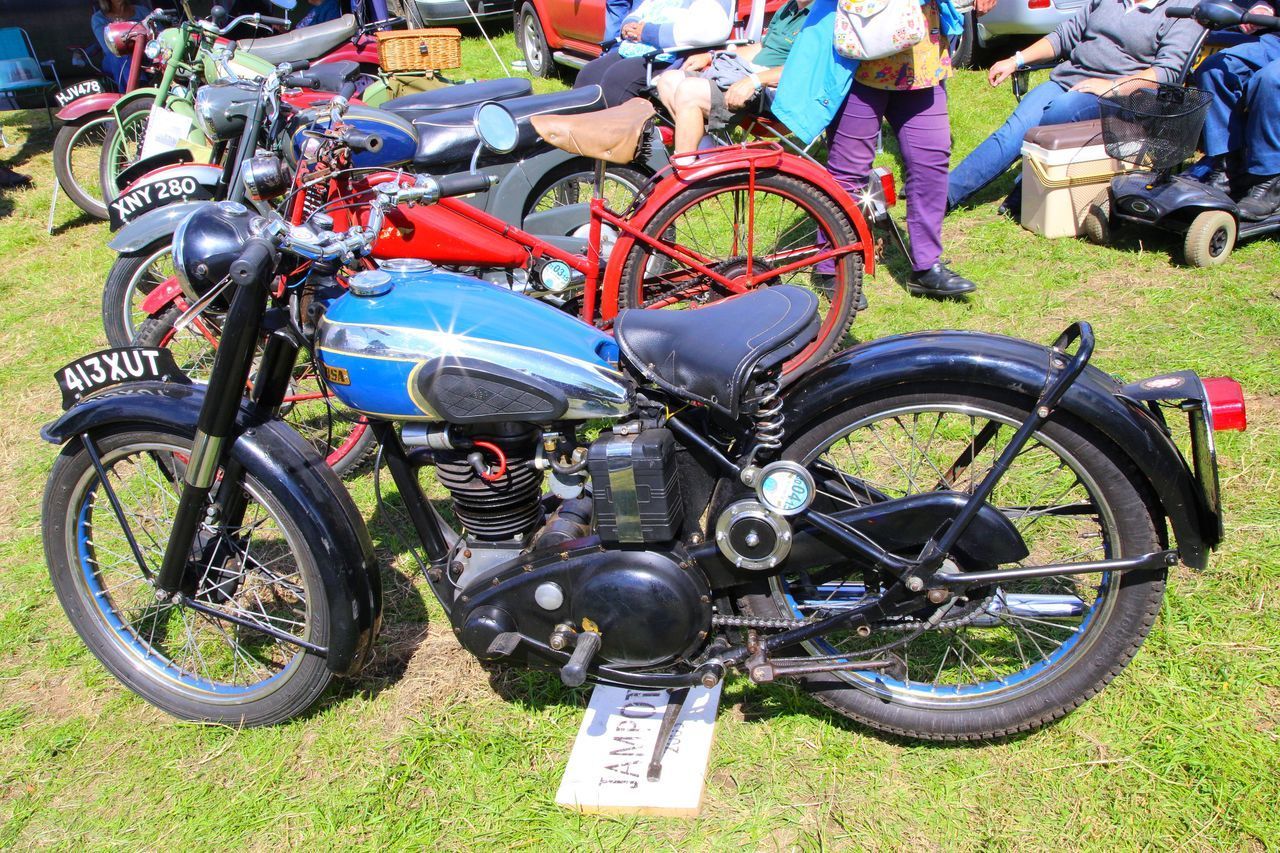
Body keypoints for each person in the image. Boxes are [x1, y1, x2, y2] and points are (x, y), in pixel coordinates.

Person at [773, 0, 976, 299]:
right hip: (861, 56)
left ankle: (926, 267)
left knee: (931, 160)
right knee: (848, 171)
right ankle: (831, 267)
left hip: (920, 58)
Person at [947, 0, 1201, 211]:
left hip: (1120, 95)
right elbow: (1063, 36)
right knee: (1013, 131)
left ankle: (1026, 189)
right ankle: (945, 194)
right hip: (1068, 79)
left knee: (1061, 110)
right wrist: (1016, 60)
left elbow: (1167, 72)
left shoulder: (1182, 10)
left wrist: (1110, 87)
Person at [653, 0, 812, 156]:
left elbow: (804, 71)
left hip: (775, 93)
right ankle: (707, 156)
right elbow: (762, 48)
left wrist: (754, 80)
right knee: (669, 80)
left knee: (688, 90)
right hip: (746, 75)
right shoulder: (788, 7)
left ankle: (685, 171)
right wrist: (711, 56)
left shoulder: (821, 18)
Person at [1192, 2, 1280, 220]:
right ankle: (1228, 169)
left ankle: (1269, 179)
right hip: (1275, 38)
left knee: (1270, 80)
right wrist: (1262, 7)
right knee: (1214, 70)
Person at [573, 0, 734, 107]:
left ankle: (614, 146)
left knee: (617, 78)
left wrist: (649, 32)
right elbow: (646, 7)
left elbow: (712, 30)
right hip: (639, 47)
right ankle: (572, 135)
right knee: (589, 73)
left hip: (671, 56)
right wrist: (630, 23)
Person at [91, 0, 151, 91]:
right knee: (120, 53)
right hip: (113, 59)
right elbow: (108, 48)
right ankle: (138, 90)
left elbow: (161, 34)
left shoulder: (142, 11)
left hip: (146, 53)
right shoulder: (98, 18)